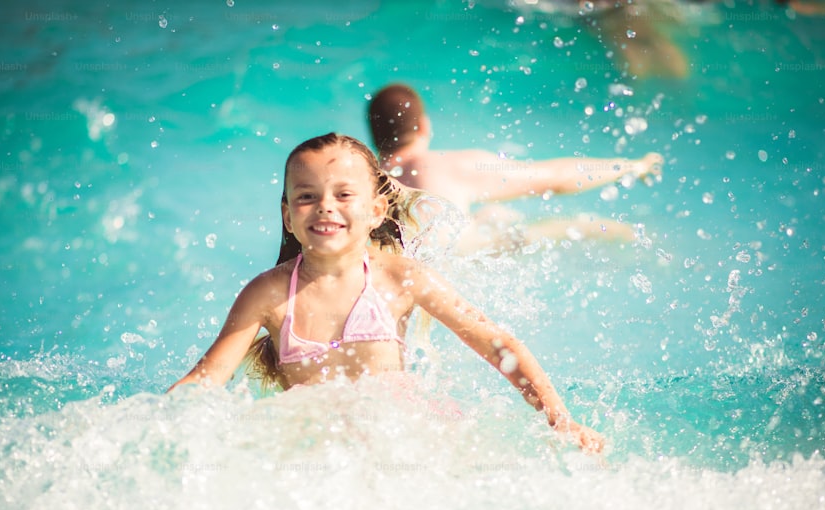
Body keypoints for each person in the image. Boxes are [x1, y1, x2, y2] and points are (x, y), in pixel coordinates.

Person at [169, 133, 604, 452]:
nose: (325, 206)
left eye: (344, 194)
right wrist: (149, 427)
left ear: (376, 210)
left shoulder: (400, 278)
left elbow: (498, 345)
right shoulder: (268, 293)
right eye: (306, 196)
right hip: (319, 455)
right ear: (287, 215)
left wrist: (561, 421)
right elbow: (206, 380)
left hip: (405, 444)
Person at [366, 83, 664, 252]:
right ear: (425, 127)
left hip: (406, 270)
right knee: (580, 225)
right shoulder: (451, 165)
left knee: (489, 215)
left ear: (374, 137)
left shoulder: (364, 178)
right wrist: (629, 166)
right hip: (467, 262)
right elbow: (555, 179)